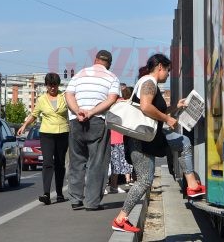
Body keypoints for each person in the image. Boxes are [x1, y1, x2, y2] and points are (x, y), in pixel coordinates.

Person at [111, 54, 205, 233]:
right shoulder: (149, 82)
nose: (168, 75)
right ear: (160, 67)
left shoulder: (150, 84)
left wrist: (175, 107)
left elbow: (154, 109)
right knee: (144, 180)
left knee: (183, 142)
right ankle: (120, 219)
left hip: (150, 136)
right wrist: (168, 118)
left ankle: (192, 186)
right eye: (168, 70)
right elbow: (146, 107)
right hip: (140, 139)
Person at [65, 50, 120, 211]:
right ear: (109, 63)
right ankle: (92, 202)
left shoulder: (80, 74)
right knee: (97, 163)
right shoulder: (112, 77)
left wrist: (78, 111)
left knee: (76, 161)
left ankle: (75, 199)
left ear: (95, 60)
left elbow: (68, 95)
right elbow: (111, 99)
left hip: (76, 121)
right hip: (98, 121)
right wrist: (92, 112)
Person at [17, 72, 69, 205]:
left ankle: (59, 193)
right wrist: (24, 126)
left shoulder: (64, 97)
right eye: (50, 85)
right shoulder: (41, 99)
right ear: (46, 85)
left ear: (58, 85)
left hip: (63, 132)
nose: (53, 88)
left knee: (60, 163)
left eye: (55, 85)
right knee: (47, 163)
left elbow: (73, 110)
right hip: (46, 133)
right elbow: (34, 115)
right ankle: (46, 193)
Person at [107, 87, 134, 194]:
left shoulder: (112, 103)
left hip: (110, 136)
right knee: (116, 164)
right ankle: (113, 186)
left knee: (109, 164)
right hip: (119, 137)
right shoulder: (125, 104)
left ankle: (108, 186)